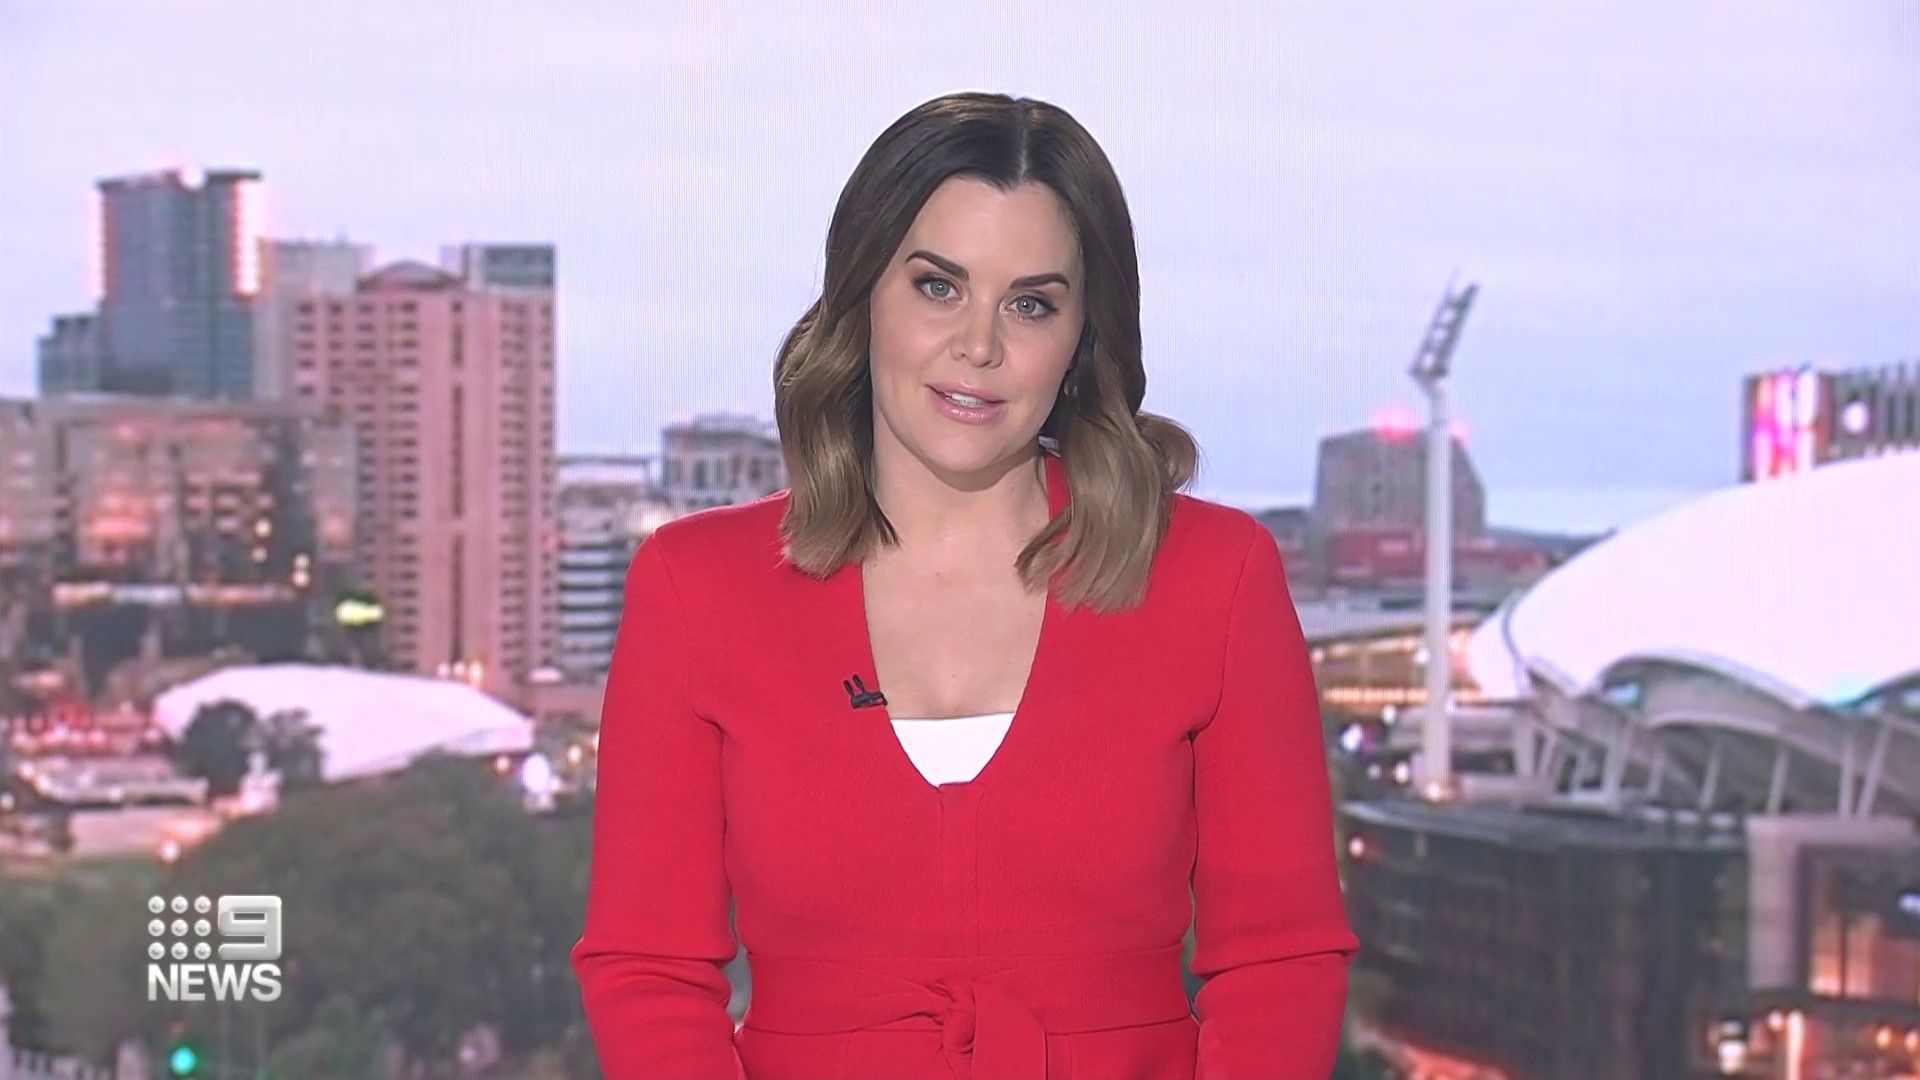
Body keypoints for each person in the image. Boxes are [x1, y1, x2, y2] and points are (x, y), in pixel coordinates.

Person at [571, 90, 1360, 1080]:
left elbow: (1280, 961)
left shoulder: (1215, 578)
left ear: (1082, 339)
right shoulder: (697, 591)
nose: (979, 346)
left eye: (1031, 304)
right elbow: (647, 967)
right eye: (938, 287)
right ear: (863, 297)